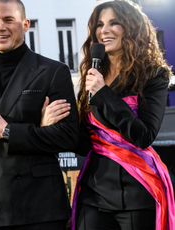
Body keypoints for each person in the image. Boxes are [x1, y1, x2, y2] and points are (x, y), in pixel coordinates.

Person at [43, 0, 175, 229]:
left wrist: (104, 93)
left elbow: (144, 135)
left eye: (114, 23)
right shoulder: (93, 75)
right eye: (99, 24)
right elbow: (85, 143)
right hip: (93, 194)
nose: (104, 30)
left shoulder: (154, 75)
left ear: (131, 27)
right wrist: (53, 123)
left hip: (137, 193)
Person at [0, 0, 79, 229]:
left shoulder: (52, 72)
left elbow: (69, 136)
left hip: (40, 209)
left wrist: (8, 131)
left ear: (25, 24)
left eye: (9, 19)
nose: (1, 27)